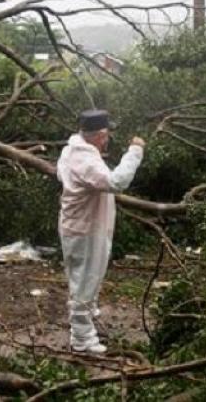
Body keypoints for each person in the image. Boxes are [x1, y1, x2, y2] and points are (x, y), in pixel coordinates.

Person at [57, 109, 145, 354]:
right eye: (106, 135)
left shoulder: (72, 152)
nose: (107, 140)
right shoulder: (84, 159)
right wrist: (135, 152)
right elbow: (116, 182)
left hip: (82, 226)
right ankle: (82, 339)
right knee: (85, 282)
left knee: (85, 279)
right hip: (85, 230)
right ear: (98, 135)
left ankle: (87, 324)